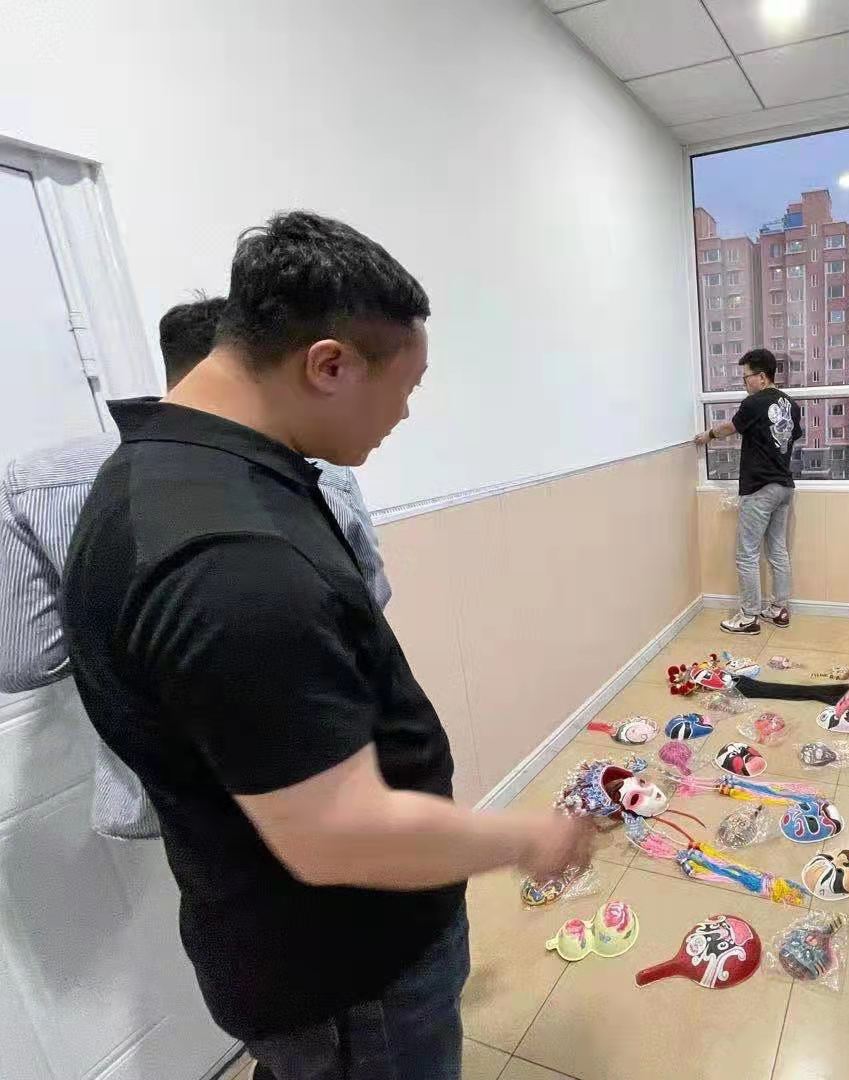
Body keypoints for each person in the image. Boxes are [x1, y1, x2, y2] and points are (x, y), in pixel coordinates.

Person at [61, 211, 592, 1080]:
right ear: (330, 365)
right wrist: (525, 839)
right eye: (406, 387)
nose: (406, 413)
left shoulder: (173, 471)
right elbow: (338, 836)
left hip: (301, 953)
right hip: (348, 975)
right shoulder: (231, 560)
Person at [0, 295, 391, 841]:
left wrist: (133, 651)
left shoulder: (39, 484)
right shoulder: (315, 470)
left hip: (161, 786)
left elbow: (24, 663)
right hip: (314, 762)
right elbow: (369, 600)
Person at [695, 348, 802, 635]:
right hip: (784, 486)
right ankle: (779, 609)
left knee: (747, 554)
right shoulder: (791, 405)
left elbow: (731, 427)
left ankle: (748, 617)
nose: (744, 383)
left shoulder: (754, 402)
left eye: (746, 377)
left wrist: (708, 435)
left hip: (760, 487)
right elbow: (788, 436)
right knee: (777, 550)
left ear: (762, 377)